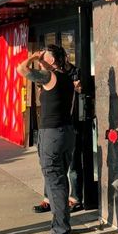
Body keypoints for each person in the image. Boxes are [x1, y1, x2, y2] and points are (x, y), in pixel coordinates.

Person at [17, 44, 75, 234]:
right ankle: (60, 226)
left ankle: (61, 232)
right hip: (66, 133)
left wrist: (32, 57)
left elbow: (21, 70)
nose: (41, 58)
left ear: (52, 60)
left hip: (52, 134)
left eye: (44, 56)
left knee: (55, 182)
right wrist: (42, 60)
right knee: (60, 180)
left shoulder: (49, 77)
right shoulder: (66, 79)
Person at [32, 56, 83, 214]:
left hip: (69, 124)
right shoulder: (49, 76)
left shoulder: (74, 73)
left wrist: (80, 88)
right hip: (55, 128)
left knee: (69, 166)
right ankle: (50, 199)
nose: (43, 60)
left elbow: (85, 91)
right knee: (51, 169)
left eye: (46, 56)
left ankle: (74, 199)